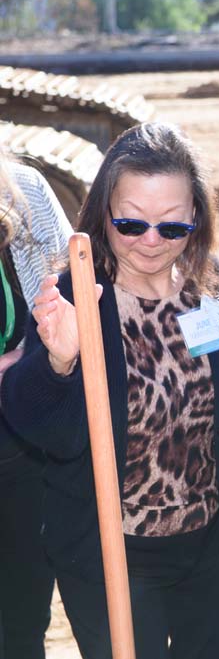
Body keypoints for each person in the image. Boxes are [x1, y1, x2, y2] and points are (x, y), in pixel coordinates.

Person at [1, 122, 219, 659]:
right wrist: (59, 362)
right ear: (103, 211)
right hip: (109, 554)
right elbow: (41, 430)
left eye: (170, 227)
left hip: (206, 540)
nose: (150, 241)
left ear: (196, 216)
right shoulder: (74, 294)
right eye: (130, 223)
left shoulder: (209, 282)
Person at [0, 158, 71, 659]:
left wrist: (40, 354)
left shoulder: (24, 190)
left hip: (19, 452)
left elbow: (73, 290)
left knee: (20, 626)